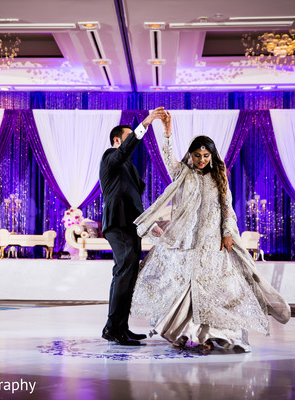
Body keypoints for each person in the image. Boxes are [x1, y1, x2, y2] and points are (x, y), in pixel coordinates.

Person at [130, 111, 291, 352]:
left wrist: (227, 233)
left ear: (212, 155)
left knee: (215, 288)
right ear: (191, 155)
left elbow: (227, 208)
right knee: (190, 287)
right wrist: (166, 132)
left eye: (206, 155)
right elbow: (167, 157)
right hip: (190, 240)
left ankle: (215, 335)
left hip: (214, 240)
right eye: (197, 155)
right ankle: (191, 335)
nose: (202, 160)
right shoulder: (183, 172)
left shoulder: (219, 177)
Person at [100, 107, 166, 346]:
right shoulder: (110, 156)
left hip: (132, 226)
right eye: (128, 138)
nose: (131, 143)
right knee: (124, 273)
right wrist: (145, 123)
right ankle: (112, 329)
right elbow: (124, 151)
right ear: (117, 140)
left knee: (128, 275)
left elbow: (134, 198)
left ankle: (120, 328)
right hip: (118, 225)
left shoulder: (129, 167)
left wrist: (151, 224)